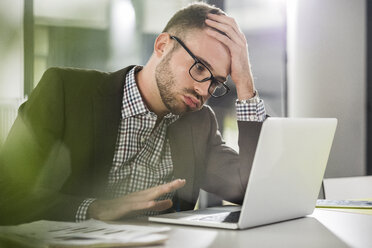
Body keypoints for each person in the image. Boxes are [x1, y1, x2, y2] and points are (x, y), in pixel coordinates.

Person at [0, 2, 266, 225]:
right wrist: (95, 208)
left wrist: (245, 84)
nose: (202, 89)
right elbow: (7, 194)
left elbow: (253, 190)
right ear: (162, 46)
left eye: (215, 83)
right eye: (198, 68)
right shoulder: (65, 92)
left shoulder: (199, 123)